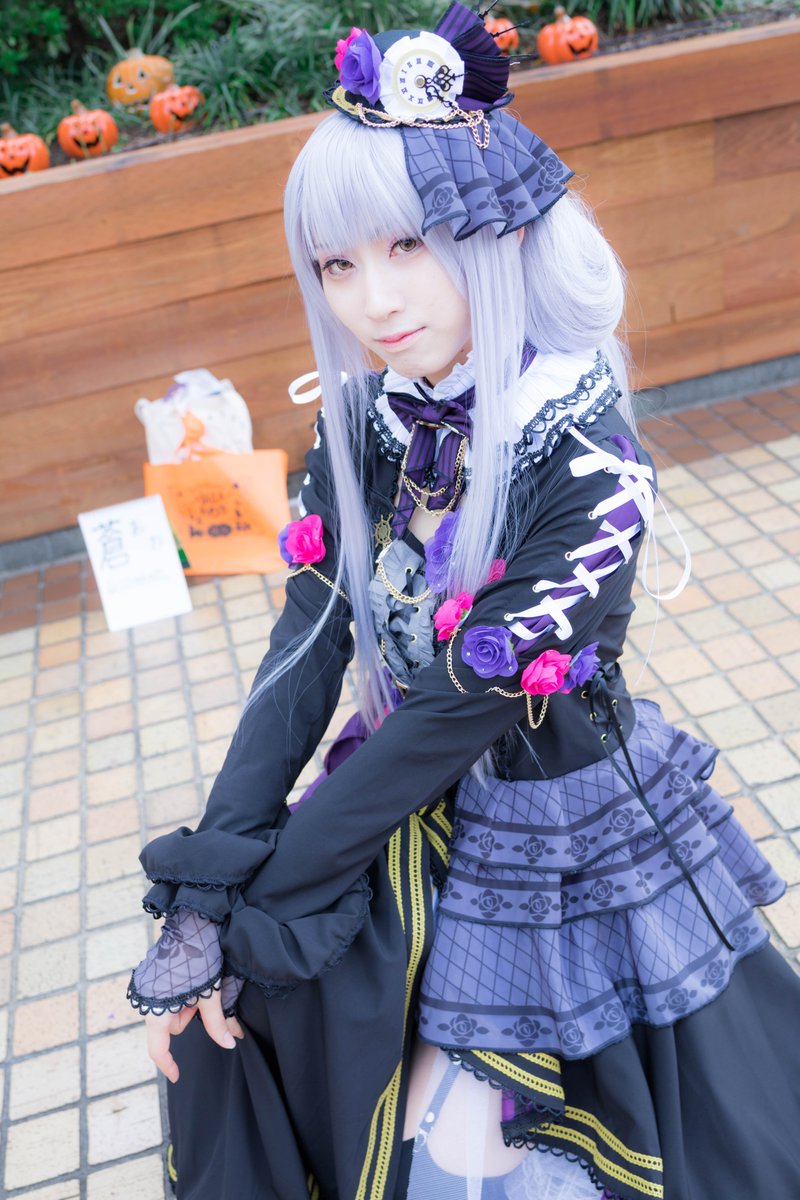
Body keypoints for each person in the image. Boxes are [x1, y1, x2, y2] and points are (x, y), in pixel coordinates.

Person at [127, 4, 800, 1198]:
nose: (371, 301)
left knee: (504, 1157)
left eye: (407, 244)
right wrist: (208, 886)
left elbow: (452, 709)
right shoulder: (365, 423)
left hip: (554, 839)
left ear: (496, 230)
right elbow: (305, 651)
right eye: (337, 264)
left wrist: (258, 912)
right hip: (388, 810)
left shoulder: (584, 460)